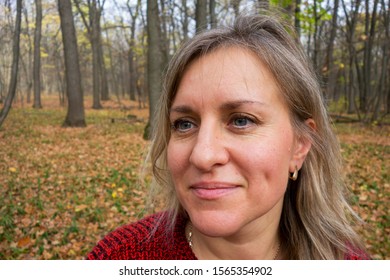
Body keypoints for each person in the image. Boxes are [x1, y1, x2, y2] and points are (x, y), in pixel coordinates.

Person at [87, 13, 368, 260]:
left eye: (241, 120)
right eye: (184, 124)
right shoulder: (118, 258)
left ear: (299, 146)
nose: (203, 155)